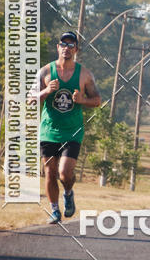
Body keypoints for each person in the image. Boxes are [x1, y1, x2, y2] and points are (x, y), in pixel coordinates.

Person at [35, 32, 101, 224]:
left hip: (73, 131)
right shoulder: (45, 72)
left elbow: (97, 100)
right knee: (49, 172)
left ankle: (68, 192)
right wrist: (46, 91)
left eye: (71, 45)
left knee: (64, 173)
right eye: (63, 44)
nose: (67, 48)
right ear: (58, 47)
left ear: (76, 50)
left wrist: (83, 100)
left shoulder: (85, 75)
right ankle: (55, 211)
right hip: (48, 130)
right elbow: (30, 99)